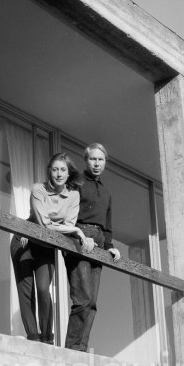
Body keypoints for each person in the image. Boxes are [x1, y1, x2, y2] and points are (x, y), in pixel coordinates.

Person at [10, 153, 91, 344]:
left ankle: (46, 337)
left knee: (43, 288)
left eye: (63, 169)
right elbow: (44, 224)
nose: (59, 173)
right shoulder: (38, 190)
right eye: (55, 169)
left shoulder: (73, 195)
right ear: (49, 172)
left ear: (69, 172)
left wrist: (72, 228)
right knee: (26, 291)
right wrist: (75, 229)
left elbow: (67, 224)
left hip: (46, 245)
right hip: (24, 240)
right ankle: (33, 336)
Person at [64, 143, 121, 352]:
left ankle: (82, 347)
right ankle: (72, 349)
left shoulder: (106, 192)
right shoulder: (77, 183)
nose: (97, 163)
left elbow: (108, 224)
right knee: (83, 298)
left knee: (92, 302)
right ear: (86, 161)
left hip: (99, 242)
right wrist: (78, 233)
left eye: (101, 159)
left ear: (105, 162)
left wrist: (110, 247)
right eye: (93, 159)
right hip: (79, 237)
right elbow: (66, 213)